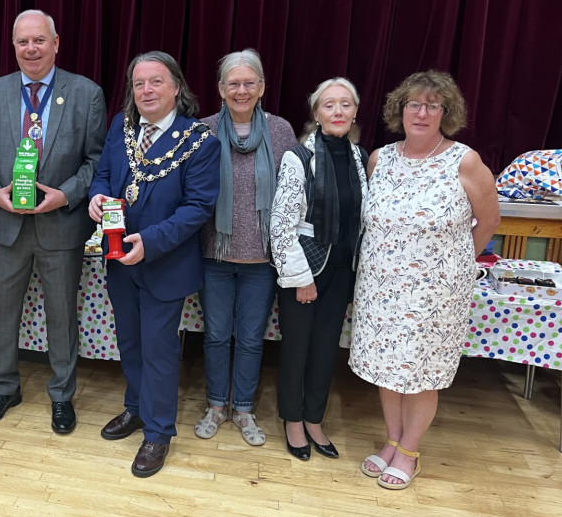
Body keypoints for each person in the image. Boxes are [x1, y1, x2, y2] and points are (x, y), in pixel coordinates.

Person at [350, 70, 499, 489]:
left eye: (432, 105)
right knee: (387, 367)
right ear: (400, 110)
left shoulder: (463, 160)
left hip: (436, 292)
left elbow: (488, 221)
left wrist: (451, 265)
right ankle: (392, 442)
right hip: (380, 288)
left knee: (420, 372)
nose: (421, 112)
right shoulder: (380, 158)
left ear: (445, 113)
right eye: (413, 104)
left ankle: (410, 452)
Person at [0, 9, 106, 434]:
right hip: (7, 225)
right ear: (13, 46)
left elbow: (96, 161)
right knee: (2, 313)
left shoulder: (86, 93)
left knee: (62, 316)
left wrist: (64, 195)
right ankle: (3, 388)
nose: (31, 49)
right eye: (22, 42)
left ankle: (62, 396)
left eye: (38, 40)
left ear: (55, 43)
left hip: (61, 227)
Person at [89, 51, 221, 477]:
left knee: (160, 351)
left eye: (156, 82)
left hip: (164, 262)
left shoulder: (200, 141)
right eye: (139, 83)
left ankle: (159, 433)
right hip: (119, 258)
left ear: (176, 87)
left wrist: (150, 241)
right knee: (129, 342)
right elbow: (106, 175)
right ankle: (136, 409)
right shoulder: (121, 127)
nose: (146, 90)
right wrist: (97, 194)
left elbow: (198, 207)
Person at [195, 49, 297, 445]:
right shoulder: (202, 130)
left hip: (262, 258)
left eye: (248, 82)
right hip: (214, 255)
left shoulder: (281, 131)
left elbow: (293, 195)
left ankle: (244, 411)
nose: (241, 90)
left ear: (262, 87)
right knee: (217, 335)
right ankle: (216, 406)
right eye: (233, 83)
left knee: (252, 338)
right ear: (221, 89)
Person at [270, 78, 368, 460]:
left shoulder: (361, 157)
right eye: (329, 105)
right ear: (316, 114)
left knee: (326, 349)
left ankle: (315, 419)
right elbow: (281, 225)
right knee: (297, 348)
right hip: (306, 268)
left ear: (355, 111)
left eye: (345, 104)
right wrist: (300, 277)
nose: (338, 112)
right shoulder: (299, 157)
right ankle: (293, 421)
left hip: (343, 267)